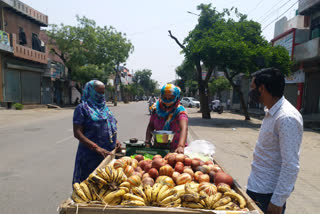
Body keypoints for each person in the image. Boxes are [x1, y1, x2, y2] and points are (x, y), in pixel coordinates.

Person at [246, 68, 303, 214]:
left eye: (253, 88)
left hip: (268, 195)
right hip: (256, 187)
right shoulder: (271, 111)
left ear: (262, 88)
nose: (251, 92)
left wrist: (277, 201)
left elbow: (290, 164)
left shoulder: (286, 117)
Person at [72, 80, 120, 184]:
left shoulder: (104, 108)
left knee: (106, 185)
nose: (102, 96)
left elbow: (109, 127)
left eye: (103, 93)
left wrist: (115, 140)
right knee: (89, 186)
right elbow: (77, 132)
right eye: (99, 93)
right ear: (91, 92)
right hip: (90, 156)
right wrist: (96, 147)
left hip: (107, 155)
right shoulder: (82, 109)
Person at [145, 84, 188, 154]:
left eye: (171, 99)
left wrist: (181, 146)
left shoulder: (180, 111)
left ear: (177, 98)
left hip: (176, 151)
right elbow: (150, 126)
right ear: (161, 96)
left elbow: (184, 128)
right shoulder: (156, 109)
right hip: (158, 148)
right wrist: (147, 141)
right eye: (165, 98)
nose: (167, 101)